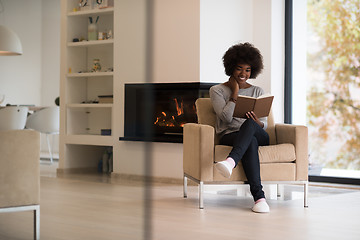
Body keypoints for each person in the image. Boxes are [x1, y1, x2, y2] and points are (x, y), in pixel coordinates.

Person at [209, 42, 270, 213]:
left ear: (253, 70)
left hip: (259, 134)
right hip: (231, 135)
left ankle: (231, 161)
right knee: (249, 141)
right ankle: (259, 198)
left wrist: (257, 122)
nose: (243, 74)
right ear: (231, 68)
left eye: (248, 70)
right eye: (239, 69)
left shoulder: (258, 90)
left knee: (250, 125)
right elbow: (226, 119)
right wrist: (235, 93)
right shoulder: (217, 91)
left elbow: (264, 125)